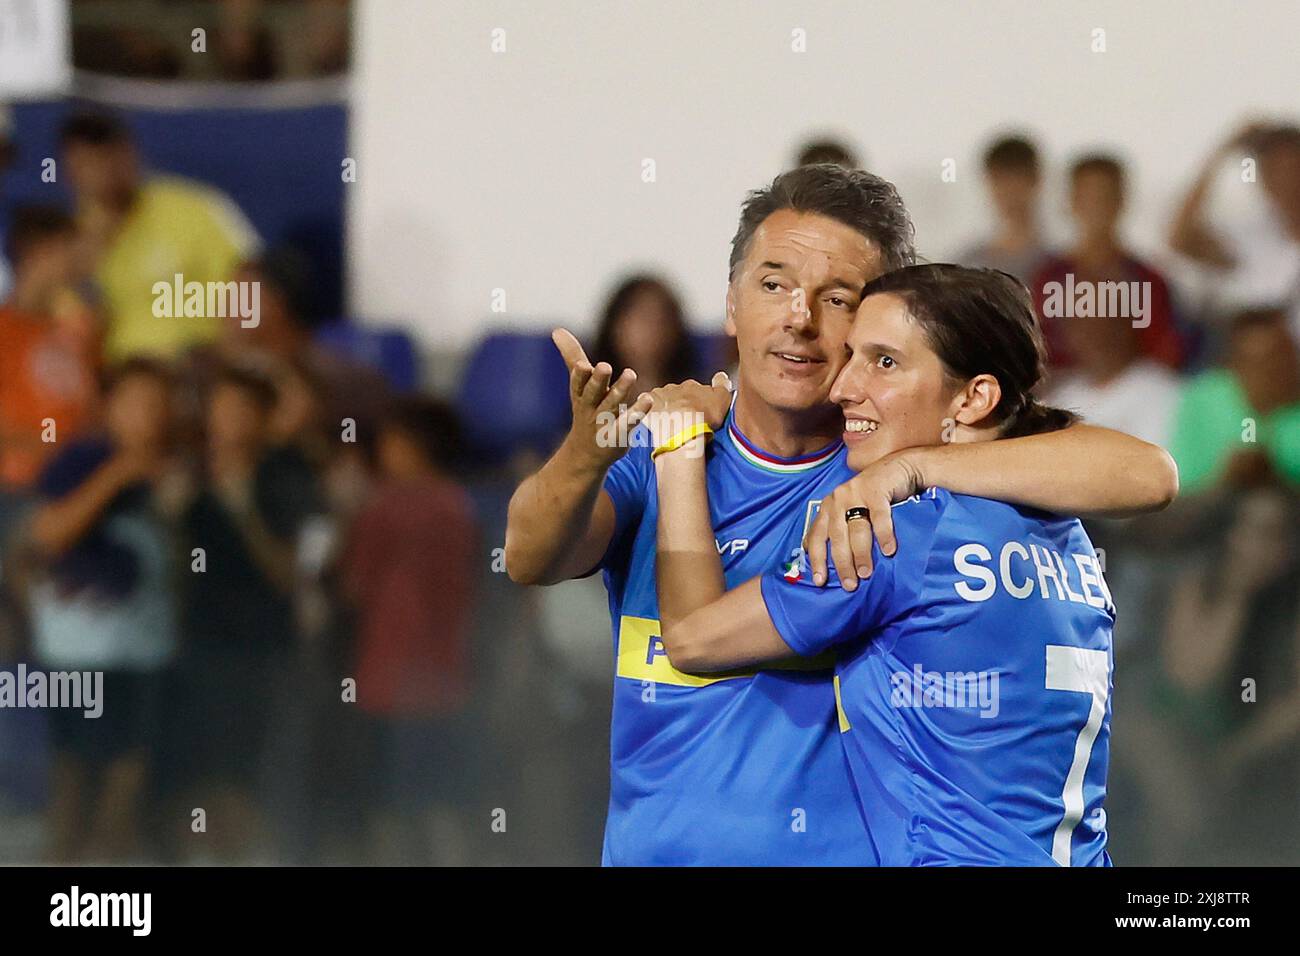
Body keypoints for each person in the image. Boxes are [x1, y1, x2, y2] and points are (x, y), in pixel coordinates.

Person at [505, 164, 1177, 866]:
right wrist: (589, 449)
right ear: (731, 305)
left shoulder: (897, 478)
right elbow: (528, 554)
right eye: (773, 285)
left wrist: (911, 466)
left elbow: (1145, 472)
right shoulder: (662, 449)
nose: (799, 315)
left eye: (837, 298)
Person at [648, 265, 1124, 866]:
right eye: (851, 356)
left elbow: (691, 638)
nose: (843, 386)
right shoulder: (1070, 533)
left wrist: (677, 448)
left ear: (974, 397)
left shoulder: (902, 535)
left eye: (885, 362)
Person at [23, 359, 181, 861]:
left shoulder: (177, 469)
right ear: (109, 406)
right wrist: (116, 474)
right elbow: (48, 534)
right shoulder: (82, 460)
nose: (148, 416)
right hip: (78, 652)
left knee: (128, 781)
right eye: (136, 402)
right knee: (73, 781)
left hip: (145, 651)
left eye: (158, 404)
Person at [341, 397, 477, 865]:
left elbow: (354, 583)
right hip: (444, 680)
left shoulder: (385, 507)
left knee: (390, 803)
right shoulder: (459, 504)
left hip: (388, 681)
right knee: (439, 800)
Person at [60, 110, 260, 363]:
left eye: (113, 156)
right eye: (90, 162)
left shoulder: (194, 207)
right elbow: (66, 330)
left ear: (131, 154)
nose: (105, 171)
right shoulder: (65, 243)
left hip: (199, 367)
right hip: (118, 380)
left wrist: (233, 356)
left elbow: (251, 283)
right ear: (70, 171)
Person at [1032, 154, 1186, 372]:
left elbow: (1164, 353)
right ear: (1072, 202)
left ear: (1121, 201)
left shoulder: (1147, 280)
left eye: (1105, 197)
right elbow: (1036, 351)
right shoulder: (1049, 277)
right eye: (1089, 197)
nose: (1097, 207)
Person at [1169, 121, 1300, 343]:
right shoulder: (1250, 239)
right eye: (1274, 170)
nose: (1286, 179)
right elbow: (1181, 238)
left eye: (1293, 167)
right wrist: (1224, 151)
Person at [0, 206, 100, 497]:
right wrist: (56, 450)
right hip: (17, 489)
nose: (76, 264)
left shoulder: (80, 331)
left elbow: (91, 411)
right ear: (38, 252)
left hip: (77, 486)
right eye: (67, 251)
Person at [958, 134, 1050, 284]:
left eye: (1017, 179)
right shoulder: (968, 264)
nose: (1009, 191)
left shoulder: (1063, 263)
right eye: (1000, 181)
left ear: (1036, 180)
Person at [590, 274, 697, 397]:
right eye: (643, 319)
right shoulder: (591, 400)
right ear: (615, 327)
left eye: (662, 321)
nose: (653, 330)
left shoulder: (698, 398)